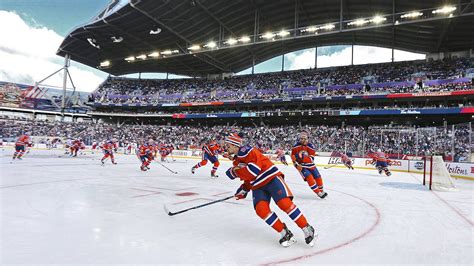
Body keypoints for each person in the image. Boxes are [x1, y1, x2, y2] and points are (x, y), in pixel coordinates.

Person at [224, 133, 316, 247]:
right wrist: (244, 189)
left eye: (228, 145)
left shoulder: (247, 151)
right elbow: (250, 177)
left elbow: (253, 170)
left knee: (284, 203)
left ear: (235, 145)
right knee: (261, 210)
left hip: (271, 177)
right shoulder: (237, 160)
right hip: (258, 185)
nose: (225, 148)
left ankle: (306, 228)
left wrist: (234, 172)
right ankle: (284, 232)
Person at [291, 132, 328, 198]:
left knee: (318, 177)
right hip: (302, 166)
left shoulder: (311, 146)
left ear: (308, 139)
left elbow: (311, 159)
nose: (303, 140)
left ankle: (321, 190)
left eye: (305, 139)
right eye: (302, 138)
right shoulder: (295, 146)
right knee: (309, 177)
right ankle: (318, 193)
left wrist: (301, 157)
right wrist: (296, 165)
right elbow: (293, 157)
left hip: (311, 165)